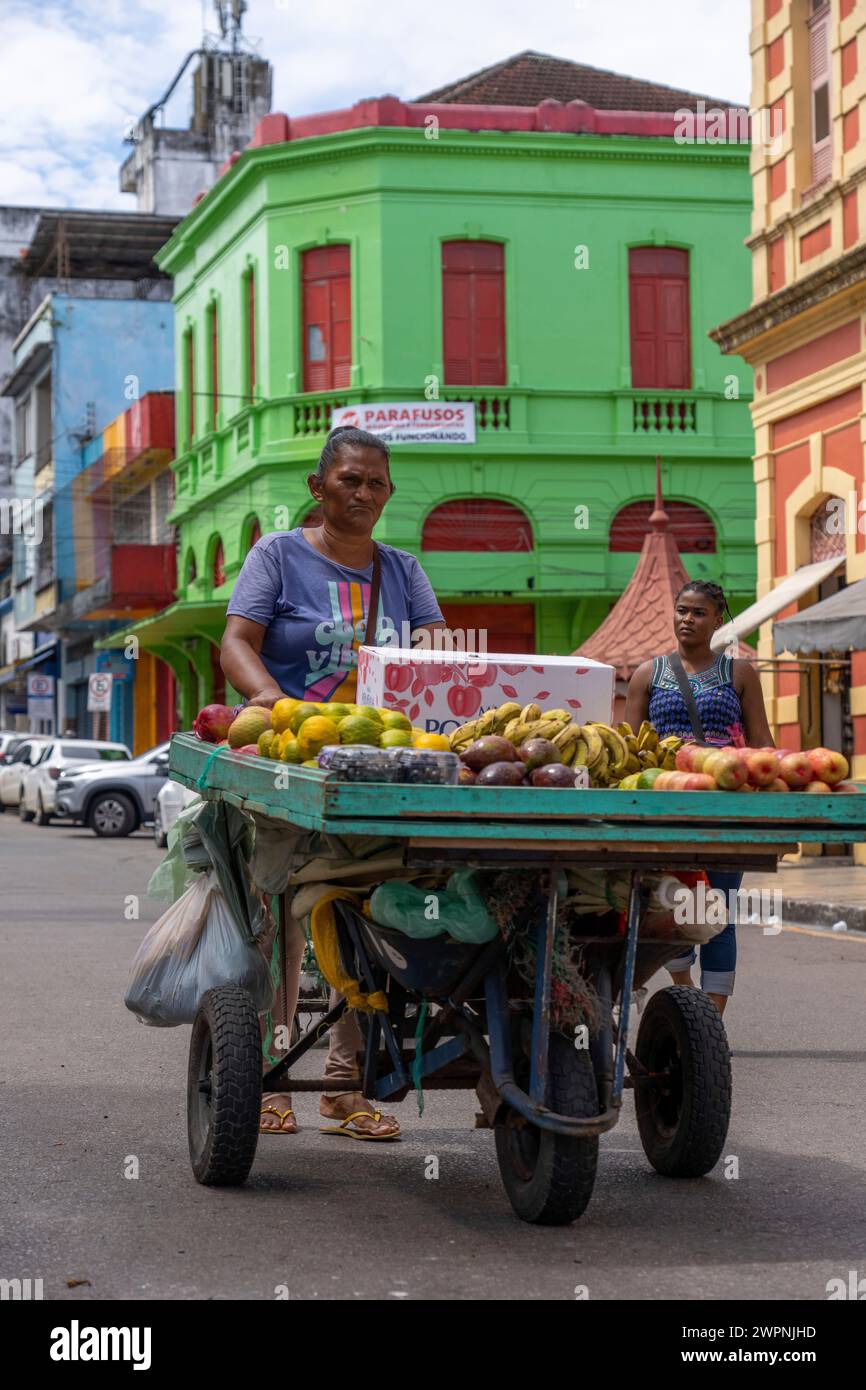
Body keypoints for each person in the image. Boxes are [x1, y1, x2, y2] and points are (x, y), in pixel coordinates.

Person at [221, 425, 446, 1137]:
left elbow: (434, 655)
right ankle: (269, 1074)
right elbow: (236, 641)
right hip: (289, 766)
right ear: (318, 489)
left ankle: (345, 1086)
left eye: (377, 482)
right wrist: (265, 699)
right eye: (350, 480)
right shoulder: (279, 555)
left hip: (380, 772)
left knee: (366, 916)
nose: (365, 493)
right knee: (280, 923)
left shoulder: (403, 570)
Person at [623, 580, 774, 1017]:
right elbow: (629, 749)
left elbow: (761, 742)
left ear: (718, 620)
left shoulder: (740, 674)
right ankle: (688, 1002)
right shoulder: (647, 675)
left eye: (698, 612)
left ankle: (713, 1019)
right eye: (682, 610)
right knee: (675, 907)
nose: (687, 619)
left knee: (720, 913)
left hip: (725, 809)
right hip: (666, 808)